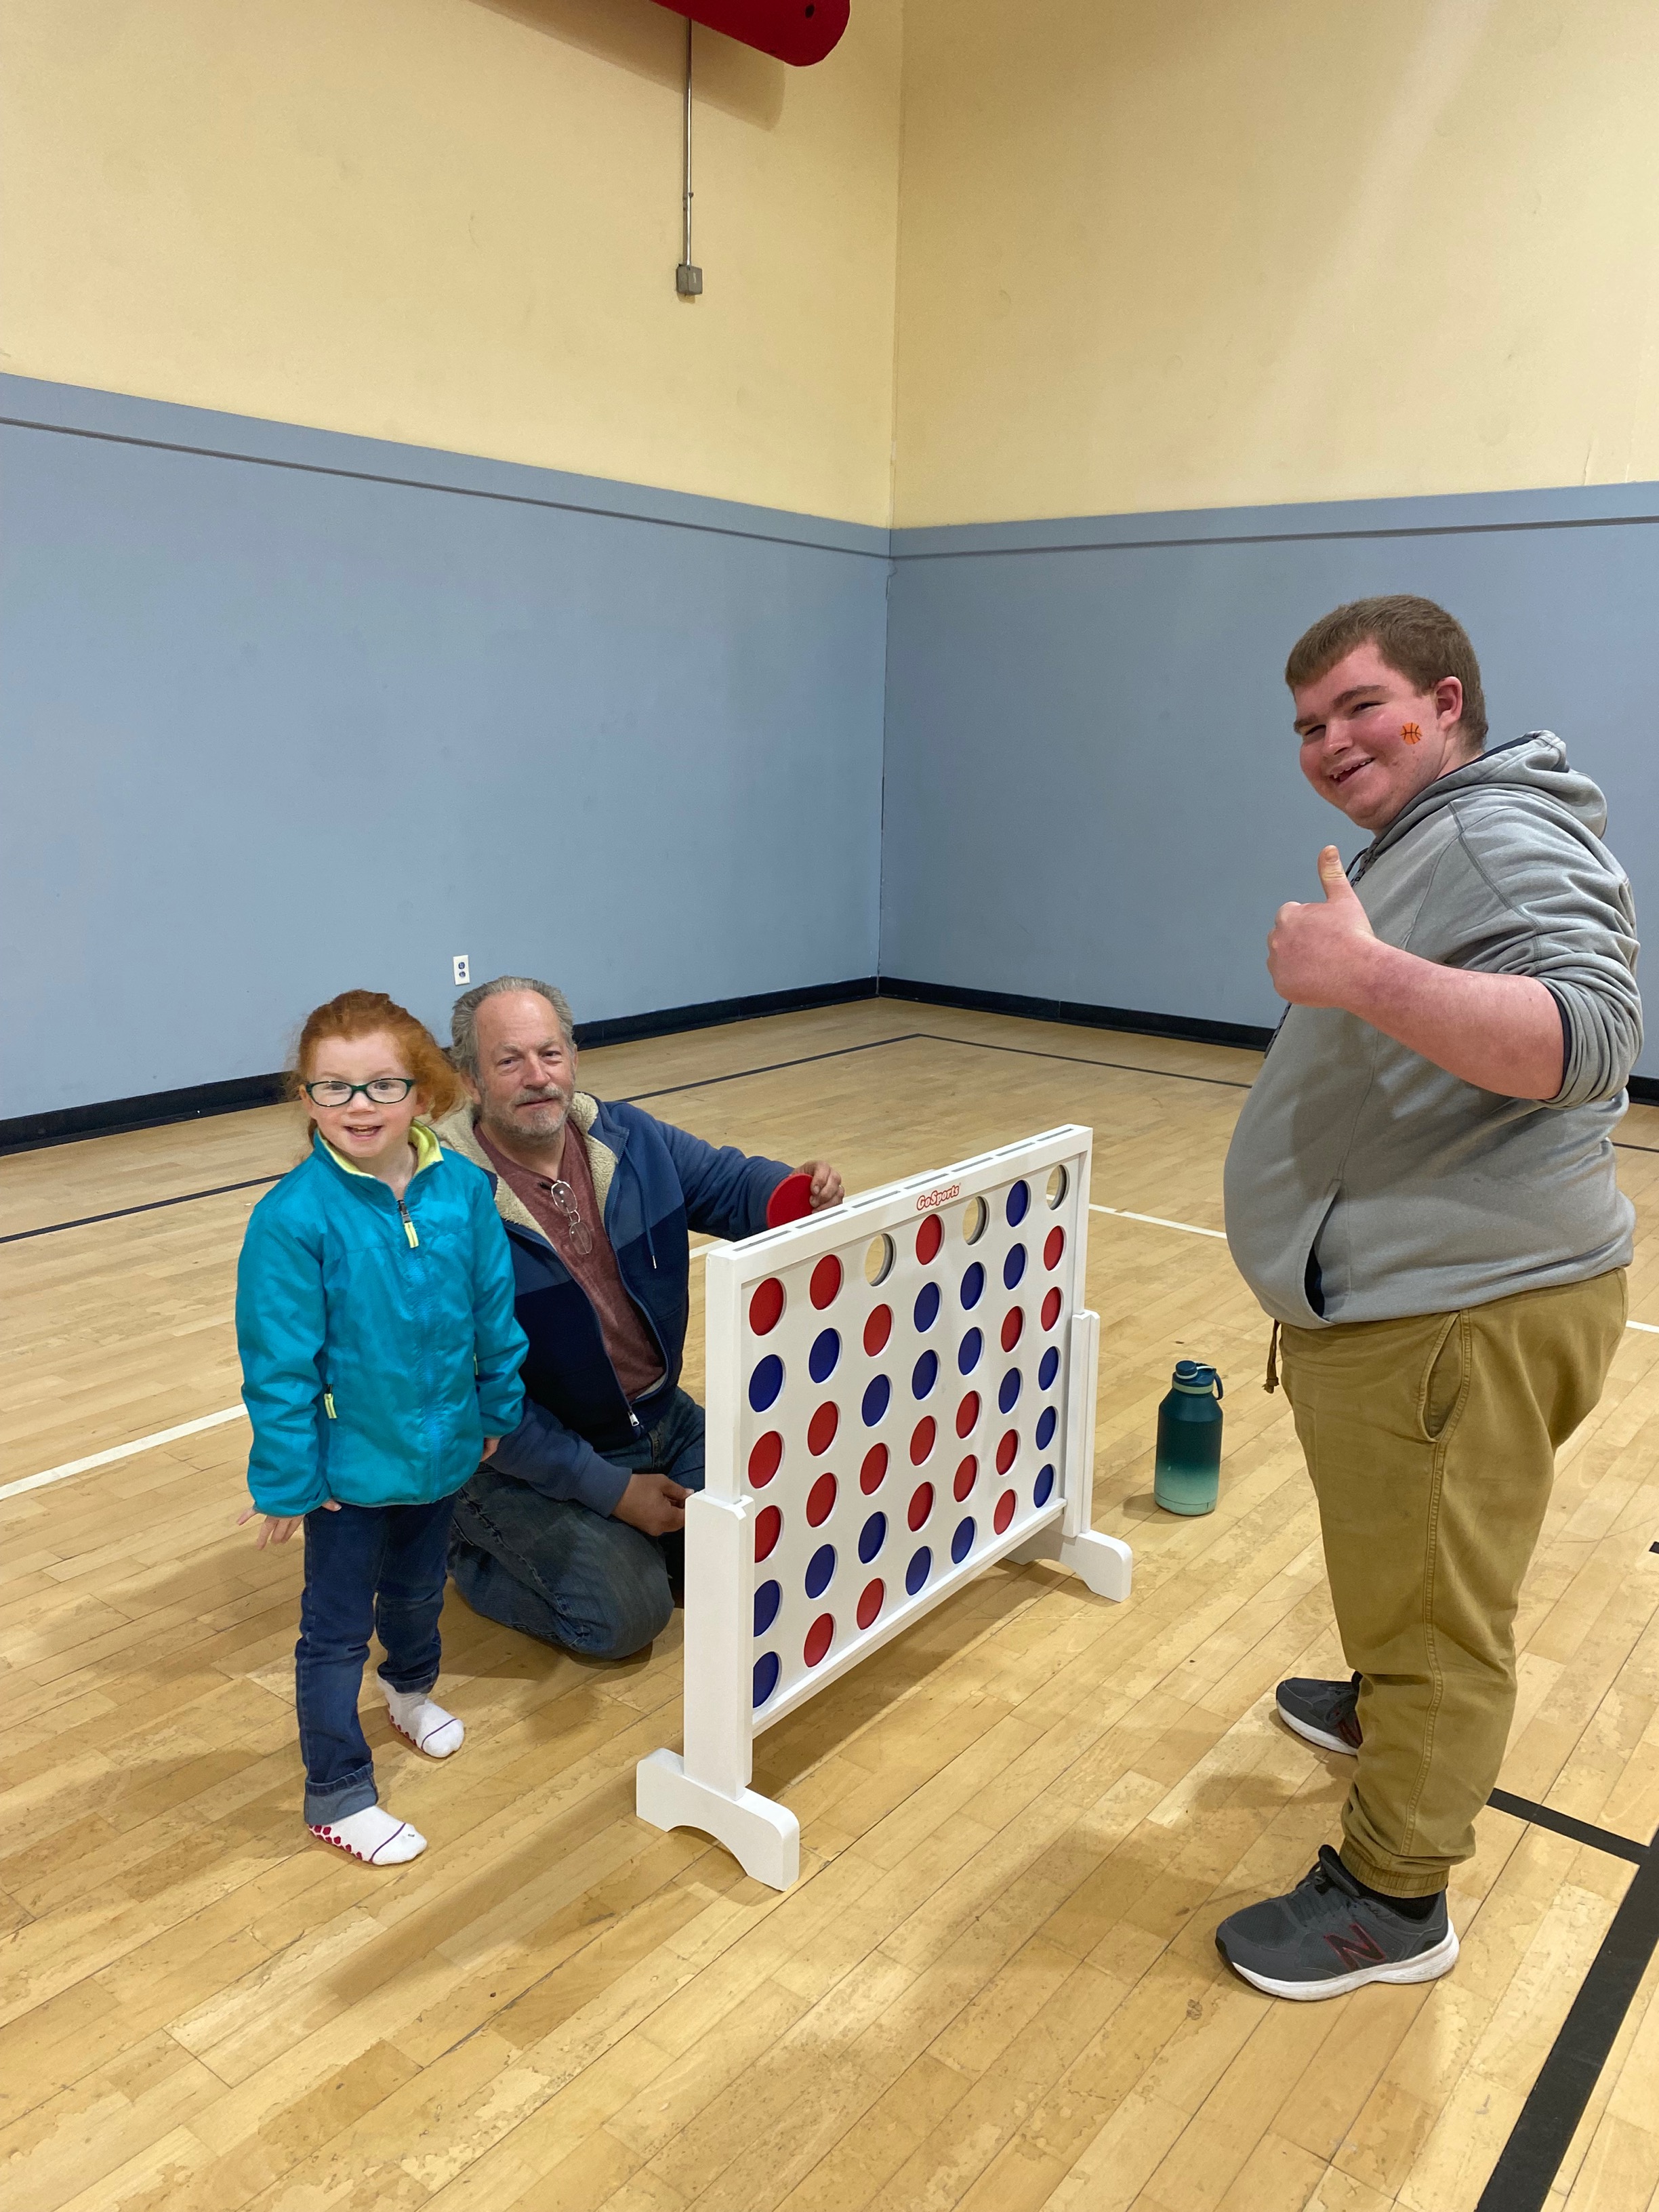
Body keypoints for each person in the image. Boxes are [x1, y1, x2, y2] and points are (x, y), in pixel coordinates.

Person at [1218, 595, 1640, 1999]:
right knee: (1409, 1569)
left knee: (1443, 1613)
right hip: (1448, 1298)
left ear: (1445, 703)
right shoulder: (1450, 828)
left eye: (1360, 708)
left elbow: (1590, 1040)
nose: (1332, 742)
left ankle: (1393, 1898)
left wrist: (1364, 976)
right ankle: (1389, 1705)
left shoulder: (1486, 832)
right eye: (1307, 725)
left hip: (1462, 1314)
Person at [434, 976, 844, 1660]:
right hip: (520, 1456)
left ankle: (642, 1543)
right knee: (625, 1617)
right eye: (510, 1062)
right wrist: (611, 1492)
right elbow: (474, 1401)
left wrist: (795, 1192)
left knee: (790, 1525)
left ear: (573, 1057)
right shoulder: (439, 1202)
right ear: (473, 1082)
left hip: (661, 1420)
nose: (538, 1078)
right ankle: (466, 1541)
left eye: (550, 1053)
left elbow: (727, 1183)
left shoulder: (630, 1138)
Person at [237, 990, 527, 1866]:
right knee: (333, 1631)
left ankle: (408, 1691)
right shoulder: (292, 1220)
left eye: (379, 1086)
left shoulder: (465, 1192)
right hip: (347, 1477)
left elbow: (492, 1308)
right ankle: (336, 1790)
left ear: (425, 1095)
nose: (356, 1107)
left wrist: (496, 1403)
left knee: (416, 1591)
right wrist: (291, 1480)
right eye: (333, 1088)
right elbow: (279, 1366)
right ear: (306, 1099)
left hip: (440, 1453)